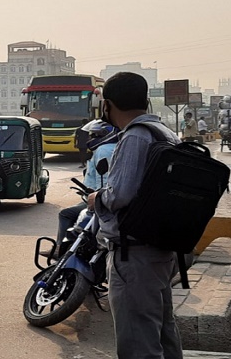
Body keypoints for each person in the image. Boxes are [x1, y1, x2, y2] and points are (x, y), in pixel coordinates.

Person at [87, 72, 183, 358]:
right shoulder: (165, 133)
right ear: (146, 101)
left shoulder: (134, 138)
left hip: (133, 255)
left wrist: (96, 198)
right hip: (161, 249)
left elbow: (120, 195)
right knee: (163, 332)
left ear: (107, 105)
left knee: (137, 343)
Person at [46, 120, 118, 259]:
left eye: (95, 136)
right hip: (108, 196)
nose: (91, 139)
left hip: (101, 198)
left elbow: (102, 180)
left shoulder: (103, 150)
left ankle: (60, 248)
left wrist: (94, 195)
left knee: (65, 214)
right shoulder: (115, 147)